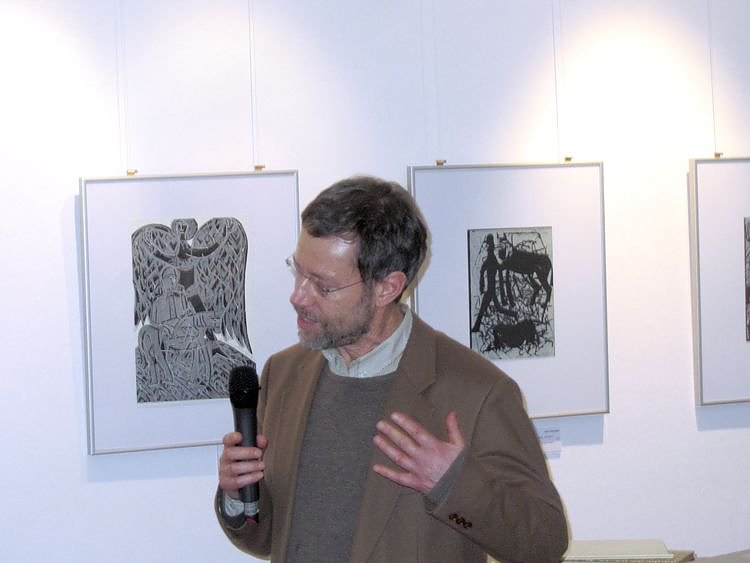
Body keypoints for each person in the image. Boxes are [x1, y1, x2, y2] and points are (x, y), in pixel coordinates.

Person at [215, 175, 568, 562]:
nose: (297, 296)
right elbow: (267, 539)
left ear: (387, 288)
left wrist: (453, 484)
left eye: (323, 286)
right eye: (298, 272)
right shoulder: (283, 374)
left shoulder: (477, 391)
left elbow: (544, 543)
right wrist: (237, 497)